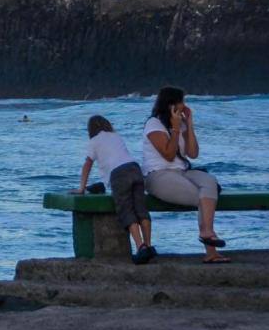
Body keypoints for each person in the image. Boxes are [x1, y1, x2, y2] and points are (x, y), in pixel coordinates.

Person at [143, 87, 228, 263]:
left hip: (182, 171)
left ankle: (207, 234)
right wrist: (174, 129)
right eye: (181, 101)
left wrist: (189, 124)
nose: (184, 105)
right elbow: (168, 154)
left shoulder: (181, 123)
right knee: (202, 198)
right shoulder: (153, 124)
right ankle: (210, 248)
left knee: (209, 182)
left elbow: (193, 153)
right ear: (171, 104)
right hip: (158, 175)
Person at [77, 115, 155, 265]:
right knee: (141, 209)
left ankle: (140, 247)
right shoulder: (116, 136)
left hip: (119, 175)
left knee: (127, 211)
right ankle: (148, 245)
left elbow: (87, 164)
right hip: (134, 168)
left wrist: (81, 188)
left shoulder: (94, 141)